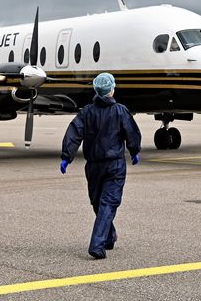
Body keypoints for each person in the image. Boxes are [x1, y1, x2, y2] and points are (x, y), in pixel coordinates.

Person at [60, 72, 142, 259]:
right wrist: (135, 151)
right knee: (99, 203)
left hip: (103, 165)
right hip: (107, 165)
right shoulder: (113, 111)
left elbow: (74, 133)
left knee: (105, 203)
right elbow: (132, 132)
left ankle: (97, 244)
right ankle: (109, 235)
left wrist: (134, 150)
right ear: (111, 90)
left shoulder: (92, 111)